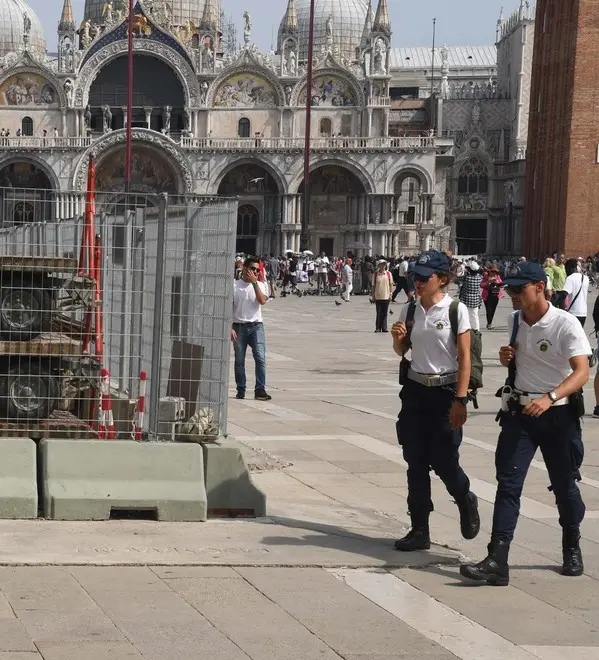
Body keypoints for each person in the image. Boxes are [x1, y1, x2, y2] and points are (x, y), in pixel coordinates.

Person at [460, 262, 590, 586]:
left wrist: (550, 396)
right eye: (510, 289)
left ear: (540, 286)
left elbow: (582, 371)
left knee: (564, 487)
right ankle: (497, 559)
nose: (511, 295)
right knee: (508, 483)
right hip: (521, 413)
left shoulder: (566, 324)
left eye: (518, 289)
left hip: (558, 415)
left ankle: (571, 542)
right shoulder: (514, 320)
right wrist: (508, 358)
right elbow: (521, 359)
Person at [391, 250, 480, 552]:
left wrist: (461, 399)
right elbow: (402, 350)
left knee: (443, 460)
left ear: (442, 279)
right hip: (416, 392)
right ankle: (419, 529)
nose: (416, 281)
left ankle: (465, 497)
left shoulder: (456, 310)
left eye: (423, 277)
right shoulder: (411, 310)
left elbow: (465, 358)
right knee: (414, 460)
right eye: (414, 276)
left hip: (445, 393)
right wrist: (397, 338)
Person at [231, 257, 272, 402]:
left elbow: (262, 301)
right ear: (245, 268)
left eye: (257, 270)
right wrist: (230, 327)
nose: (255, 272)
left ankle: (260, 390)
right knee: (239, 360)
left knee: (260, 358)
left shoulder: (260, 285)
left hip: (256, 326)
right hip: (239, 326)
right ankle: (240, 389)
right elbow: (228, 308)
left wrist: (255, 283)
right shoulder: (234, 286)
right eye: (252, 269)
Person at [458, 261, 483, 331]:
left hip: (465, 299)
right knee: (475, 316)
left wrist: (465, 273)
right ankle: (476, 330)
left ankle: (466, 329)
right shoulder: (480, 277)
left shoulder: (466, 277)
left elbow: (458, 279)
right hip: (475, 299)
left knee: (465, 315)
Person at [564, 258, 589, 326]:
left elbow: (564, 295)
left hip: (572, 312)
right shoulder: (586, 278)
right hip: (583, 312)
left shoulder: (570, 278)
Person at [371, 259, 392, 332]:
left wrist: (391, 294)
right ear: (379, 265)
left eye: (384, 264)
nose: (383, 266)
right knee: (379, 312)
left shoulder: (388, 274)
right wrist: (373, 295)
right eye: (381, 265)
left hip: (386, 295)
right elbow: (373, 286)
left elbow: (391, 284)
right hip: (378, 296)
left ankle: (384, 327)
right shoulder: (375, 274)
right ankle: (378, 327)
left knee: (385, 313)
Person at [480, 265, 503, 329]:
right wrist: (488, 282)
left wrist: (497, 282)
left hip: (495, 295)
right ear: (489, 271)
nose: (493, 273)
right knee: (488, 310)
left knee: (493, 310)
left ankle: (489, 323)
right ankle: (489, 323)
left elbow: (502, 285)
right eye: (492, 271)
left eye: (494, 271)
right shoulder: (486, 277)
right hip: (487, 296)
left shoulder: (497, 276)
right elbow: (481, 285)